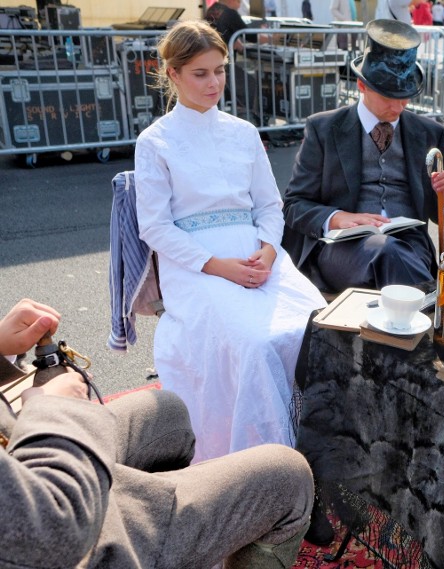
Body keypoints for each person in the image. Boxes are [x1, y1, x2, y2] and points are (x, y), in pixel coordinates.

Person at [134, 21, 326, 463]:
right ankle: (267, 466)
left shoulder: (243, 132)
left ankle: (320, 449)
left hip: (258, 257)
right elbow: (156, 228)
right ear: (173, 73)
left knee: (320, 324)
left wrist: (268, 251)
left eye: (220, 70)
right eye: (201, 73)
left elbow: (269, 205)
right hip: (195, 266)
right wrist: (221, 267)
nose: (214, 82)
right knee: (256, 344)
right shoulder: (155, 142)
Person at [0, 298, 314, 568]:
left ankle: (172, 530)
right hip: (69, 532)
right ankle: (156, 536)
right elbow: (50, 530)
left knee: (168, 413)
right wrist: (57, 410)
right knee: (287, 474)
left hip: (22, 470)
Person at [282, 19, 444, 294]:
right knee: (385, 251)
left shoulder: (428, 132)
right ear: (361, 86)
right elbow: (294, 205)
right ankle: (434, 311)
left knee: (392, 253)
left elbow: (441, 215)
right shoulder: (325, 129)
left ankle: (424, 314)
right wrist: (337, 217)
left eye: (405, 96)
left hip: (411, 245)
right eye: (389, 96)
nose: (398, 105)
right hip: (340, 248)